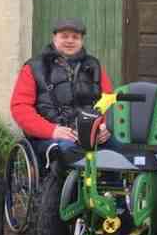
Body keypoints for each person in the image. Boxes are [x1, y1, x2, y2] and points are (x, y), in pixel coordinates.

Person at [10, 18, 119, 161]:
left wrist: (105, 127)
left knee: (120, 151)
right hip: (49, 137)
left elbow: (108, 100)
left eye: (75, 37)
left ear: (82, 40)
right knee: (70, 151)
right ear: (54, 38)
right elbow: (20, 107)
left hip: (91, 135)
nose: (70, 41)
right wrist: (52, 131)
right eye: (64, 36)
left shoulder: (94, 66)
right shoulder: (33, 68)